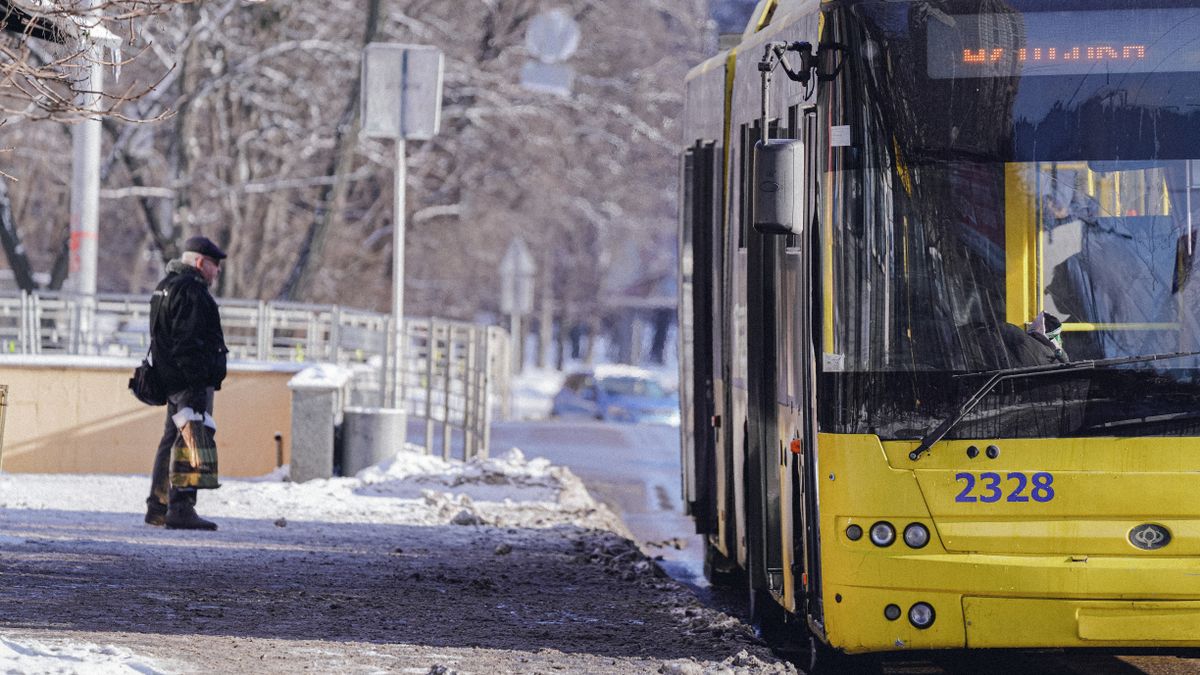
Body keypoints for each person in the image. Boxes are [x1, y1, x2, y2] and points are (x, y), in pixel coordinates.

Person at [144, 236, 229, 530]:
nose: (217, 271)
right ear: (199, 262)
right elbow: (189, 341)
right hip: (190, 381)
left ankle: (158, 506)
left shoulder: (165, 286)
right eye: (214, 265)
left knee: (170, 439)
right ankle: (181, 507)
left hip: (169, 378)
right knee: (191, 437)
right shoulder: (192, 290)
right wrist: (197, 380)